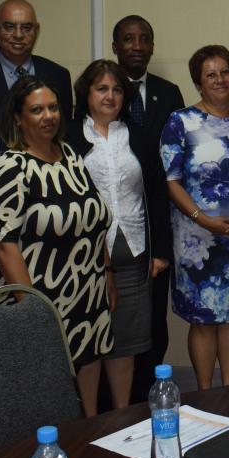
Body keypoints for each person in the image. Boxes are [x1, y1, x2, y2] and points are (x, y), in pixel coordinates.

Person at [0, 76, 114, 415]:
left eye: (53, 107)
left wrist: (107, 277)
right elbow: (3, 243)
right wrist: (33, 310)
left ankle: (86, 441)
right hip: (41, 300)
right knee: (45, 402)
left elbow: (93, 221)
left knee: (87, 386)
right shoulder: (10, 166)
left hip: (87, 294)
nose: (48, 116)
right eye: (36, 110)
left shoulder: (70, 156)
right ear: (18, 118)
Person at [160, 45, 229, 390]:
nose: (220, 79)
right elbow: (171, 181)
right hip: (196, 239)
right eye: (211, 74)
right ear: (198, 83)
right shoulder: (180, 122)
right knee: (203, 319)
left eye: (225, 72)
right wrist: (202, 219)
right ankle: (206, 395)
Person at [68, 59, 169, 409]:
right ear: (87, 93)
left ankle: (122, 416)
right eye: (101, 89)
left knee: (125, 343)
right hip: (84, 261)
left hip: (135, 254)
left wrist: (161, 251)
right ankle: (90, 418)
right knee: (90, 343)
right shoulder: (68, 137)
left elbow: (156, 194)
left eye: (116, 89)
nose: (110, 96)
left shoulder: (139, 136)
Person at [110, 14, 185, 403]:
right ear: (115, 47)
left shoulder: (168, 92)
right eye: (128, 39)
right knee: (113, 314)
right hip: (111, 223)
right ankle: (112, 400)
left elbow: (177, 155)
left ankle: (149, 395)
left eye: (144, 39)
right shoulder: (101, 89)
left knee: (153, 316)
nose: (137, 46)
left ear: (152, 46)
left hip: (156, 220)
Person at [0, 0, 73, 143]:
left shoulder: (58, 75)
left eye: (26, 28)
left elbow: (63, 133)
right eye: (9, 27)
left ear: (37, 30)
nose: (18, 35)